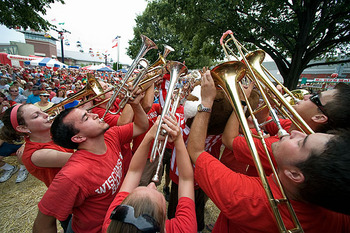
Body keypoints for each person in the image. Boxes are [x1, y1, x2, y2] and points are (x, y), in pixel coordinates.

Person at [187, 70, 350, 233]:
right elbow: (261, 121)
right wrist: (269, 102)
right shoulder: (337, 214)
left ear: (294, 174)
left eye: (302, 142)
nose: (296, 133)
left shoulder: (247, 197)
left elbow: (197, 151)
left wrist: (208, 102)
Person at [32, 92, 148, 233]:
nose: (96, 115)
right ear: (79, 137)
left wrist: (135, 105)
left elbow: (141, 126)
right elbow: (43, 223)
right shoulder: (73, 174)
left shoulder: (112, 135)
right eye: (86, 117)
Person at [222, 82, 350, 176]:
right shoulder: (294, 126)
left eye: (314, 97)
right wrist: (270, 101)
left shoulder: (282, 148)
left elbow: (229, 139)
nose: (306, 96)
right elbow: (263, 120)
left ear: (319, 117)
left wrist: (241, 101)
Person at [102, 114, 197, 233]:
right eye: (155, 191)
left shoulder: (115, 221)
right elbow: (186, 179)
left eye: (144, 187)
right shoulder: (183, 230)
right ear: (163, 223)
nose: (152, 184)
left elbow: (134, 172)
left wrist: (150, 135)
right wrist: (178, 139)